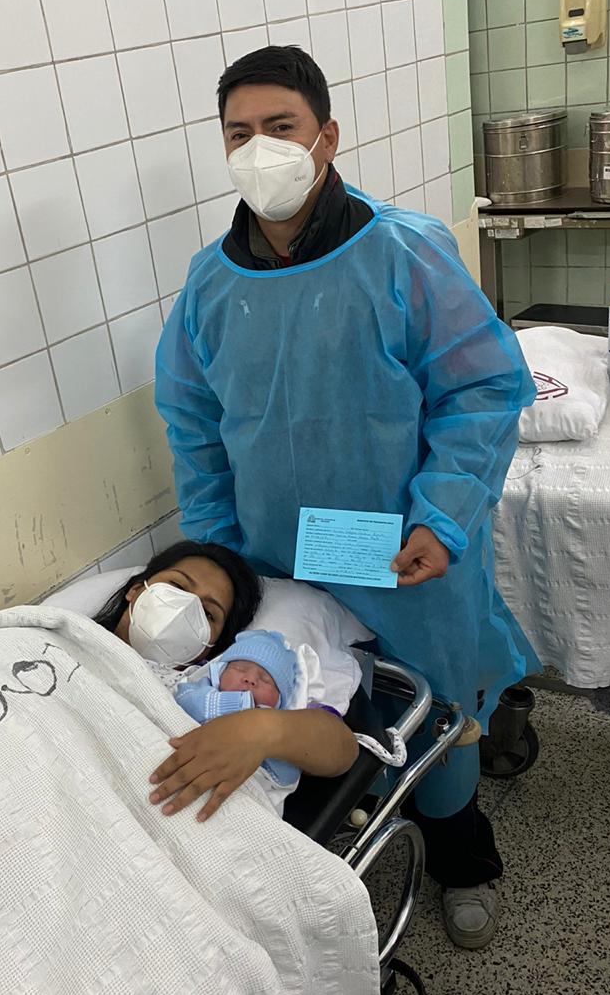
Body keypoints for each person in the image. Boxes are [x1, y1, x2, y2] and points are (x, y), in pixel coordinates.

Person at [154, 46, 541, 949]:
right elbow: (194, 428)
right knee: (319, 700)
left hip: (401, 548)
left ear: (325, 137)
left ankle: (463, 857)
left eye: (279, 127)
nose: (259, 149)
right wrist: (218, 552)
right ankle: (351, 846)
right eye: (238, 134)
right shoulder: (210, 286)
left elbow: (480, 391)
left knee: (435, 708)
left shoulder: (402, 254)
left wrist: (443, 517)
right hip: (279, 555)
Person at [94, 541, 358, 822]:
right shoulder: (66, 635)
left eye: (208, 613)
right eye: (177, 586)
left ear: (209, 647)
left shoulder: (204, 681)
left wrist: (262, 728)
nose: (185, 608)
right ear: (136, 590)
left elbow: (343, 749)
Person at [175, 628, 307, 810]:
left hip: (239, 798)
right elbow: (184, 702)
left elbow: (287, 776)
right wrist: (239, 704)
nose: (250, 679)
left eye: (266, 680)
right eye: (240, 669)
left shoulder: (276, 729)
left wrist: (265, 730)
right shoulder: (200, 691)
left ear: (279, 701)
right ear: (220, 672)